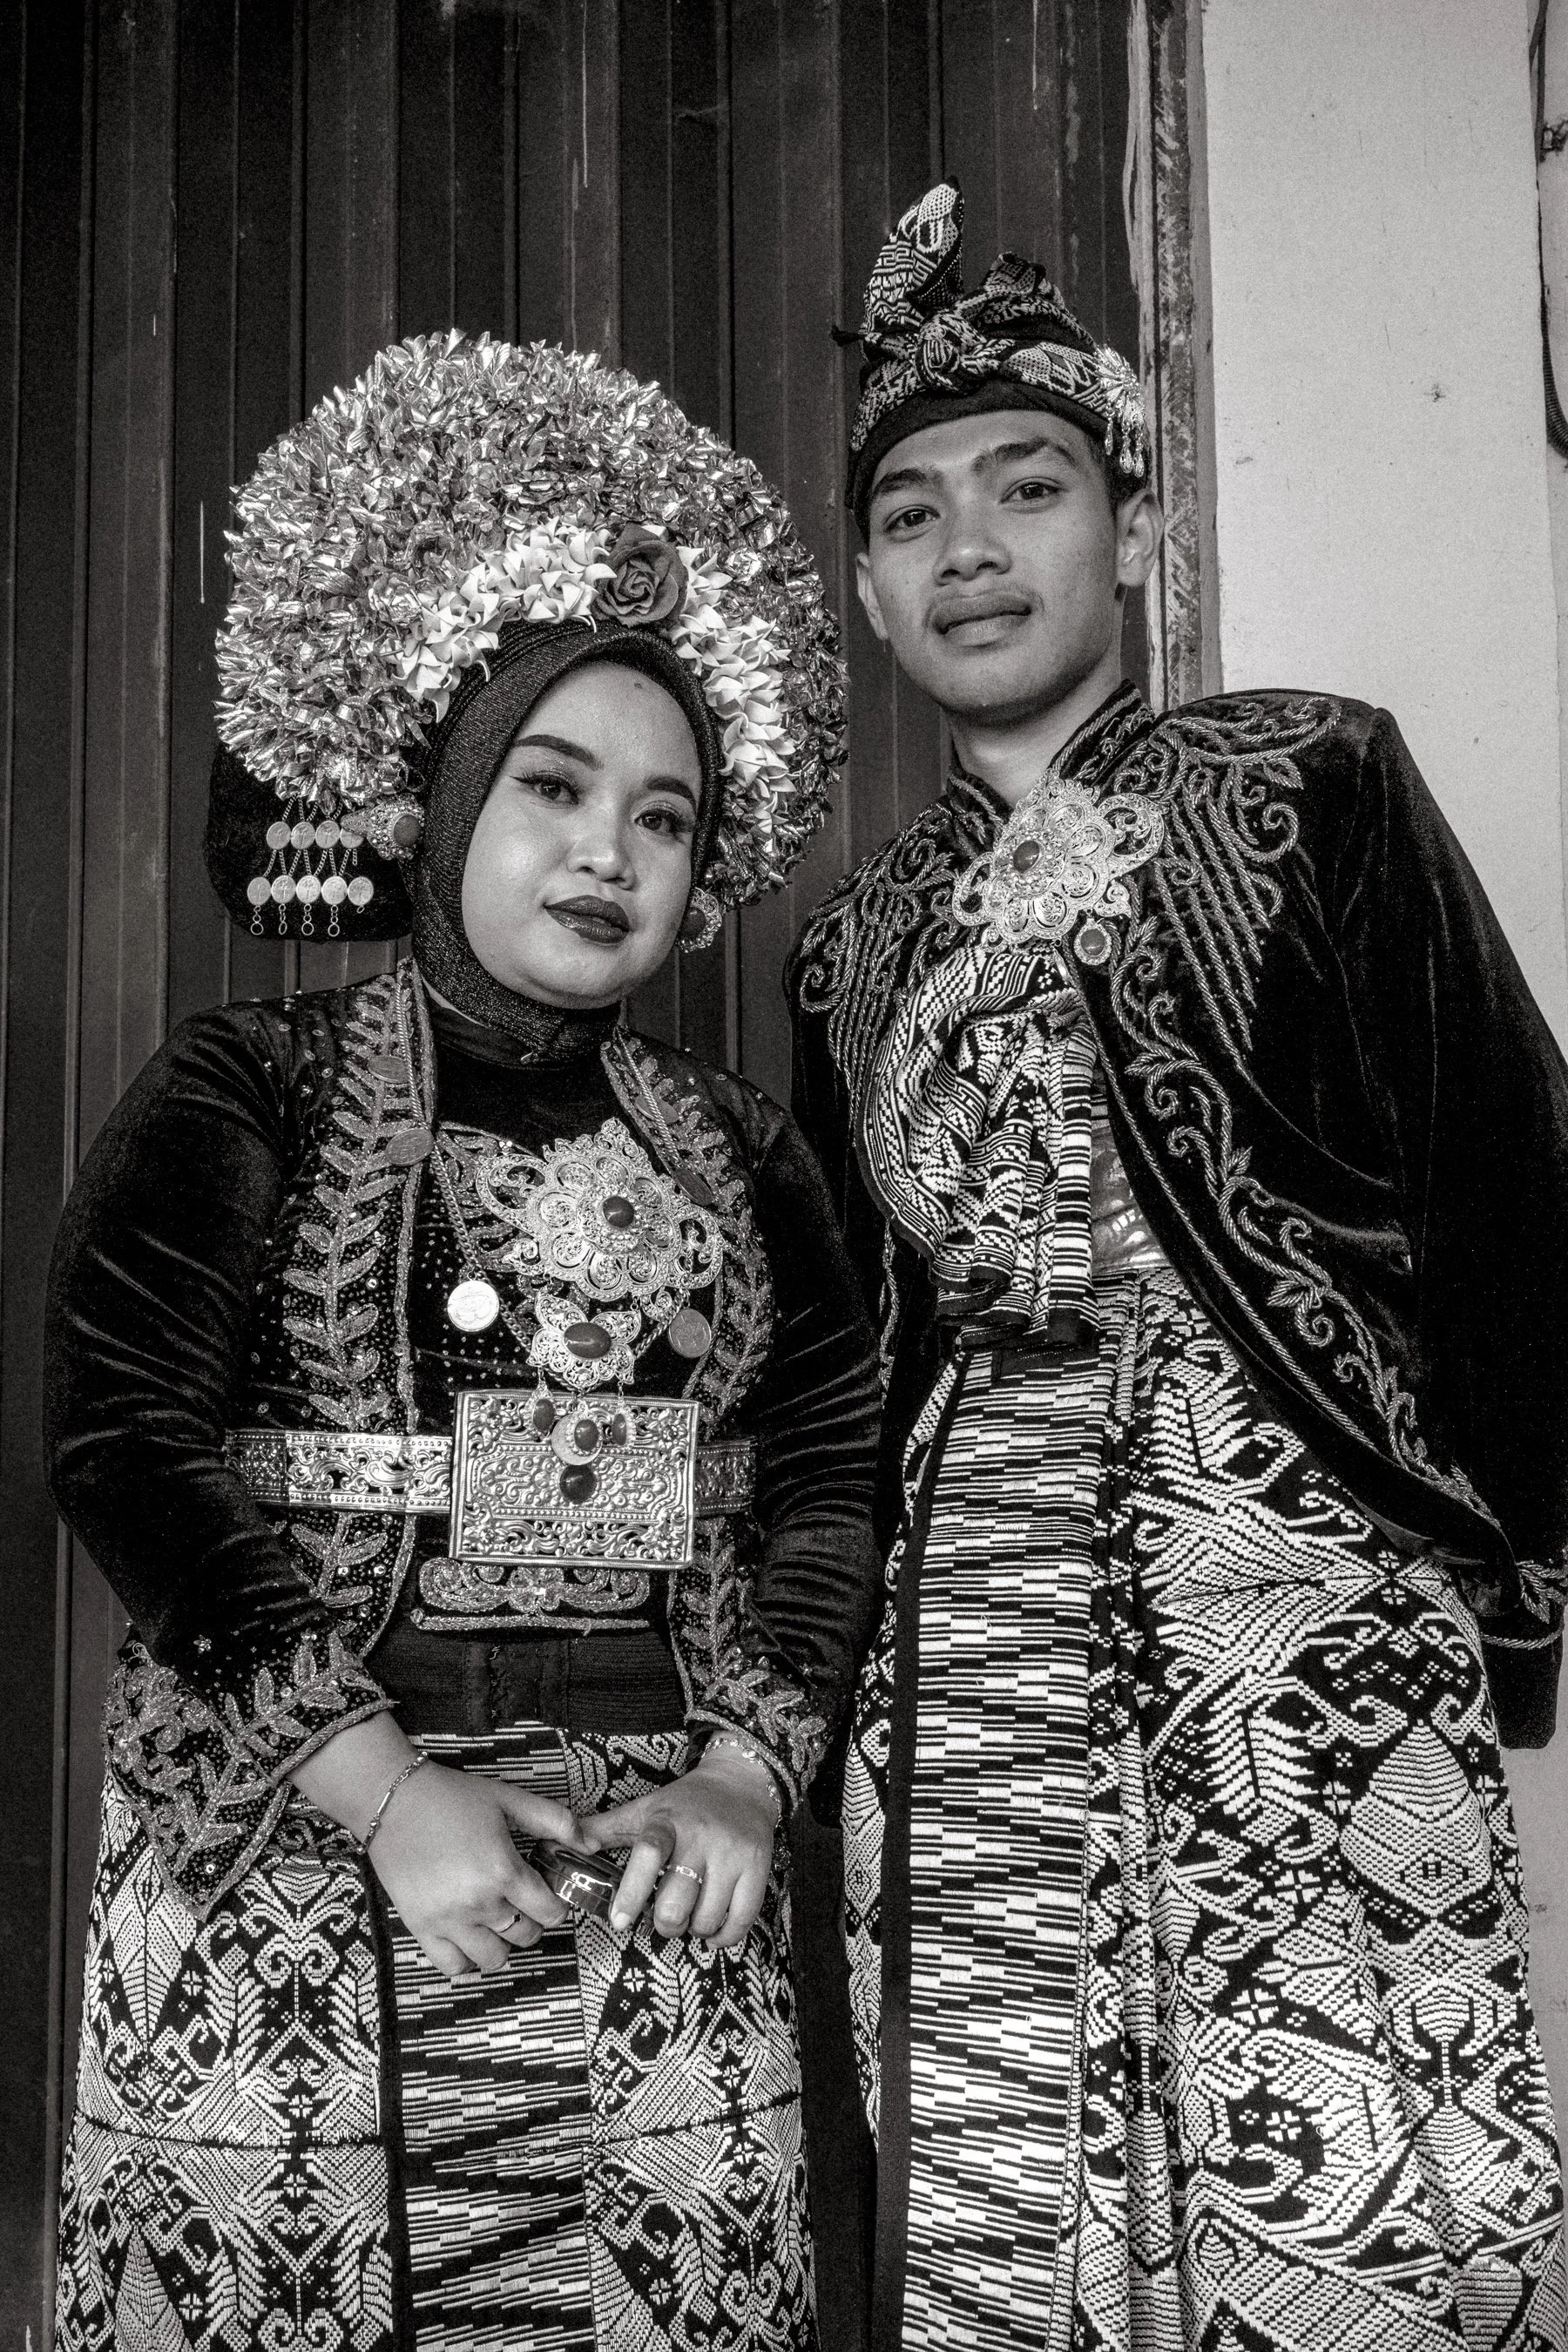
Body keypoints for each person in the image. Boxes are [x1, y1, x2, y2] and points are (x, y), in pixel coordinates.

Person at [787, 183, 1568, 2351]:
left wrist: (1521, 1585)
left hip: (1295, 1579)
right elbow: (858, 1342)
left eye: (1027, 492)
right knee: (995, 2174)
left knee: (1355, 2174)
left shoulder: (1310, 778)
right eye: (916, 514)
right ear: (866, 588)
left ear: (1127, 531)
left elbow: (1511, 1179)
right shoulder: (851, 943)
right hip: (969, 1615)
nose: (970, 549)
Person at [48, 332, 880, 2351]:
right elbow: (124, 1439)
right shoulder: (251, 1084)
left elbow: (832, 1462)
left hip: (650, 1858)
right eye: (554, 787)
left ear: (706, 881)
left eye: (667, 819)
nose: (608, 850)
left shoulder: (749, 1148)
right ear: (439, 804)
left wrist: (751, 1787)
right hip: (296, 1847)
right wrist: (379, 1788)